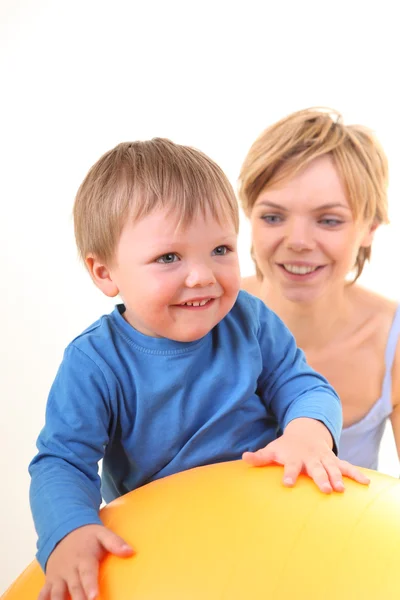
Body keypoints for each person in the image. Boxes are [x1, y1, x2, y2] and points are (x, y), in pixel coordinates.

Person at [29, 138, 368, 600]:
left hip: (275, 517)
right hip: (172, 544)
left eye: (221, 249)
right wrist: (69, 530)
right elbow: (62, 461)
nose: (203, 276)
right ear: (105, 273)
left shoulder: (249, 320)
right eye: (169, 258)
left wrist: (307, 433)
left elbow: (303, 386)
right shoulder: (96, 363)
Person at [239, 107, 400, 472]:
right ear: (249, 215)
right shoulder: (200, 316)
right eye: (273, 216)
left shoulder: (393, 342)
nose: (298, 241)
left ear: (370, 227)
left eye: (329, 220)